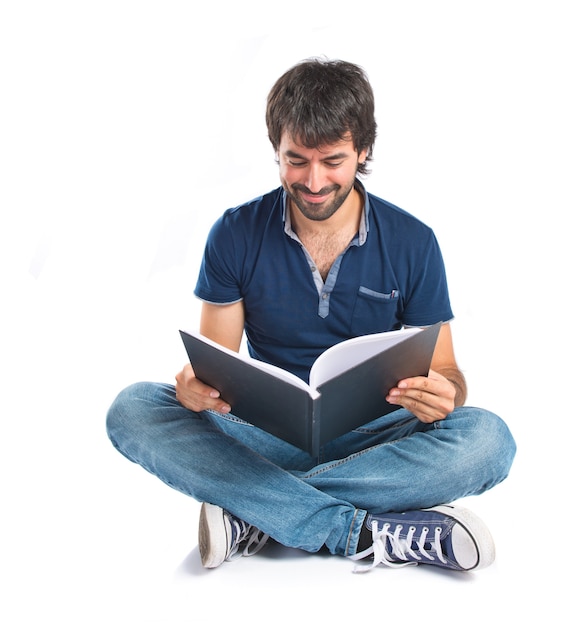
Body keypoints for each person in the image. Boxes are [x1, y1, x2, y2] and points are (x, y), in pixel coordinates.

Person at [106, 57, 516, 574]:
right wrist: (196, 390)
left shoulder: (414, 242)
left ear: (363, 151)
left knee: (488, 441)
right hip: (264, 435)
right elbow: (217, 369)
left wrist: (446, 394)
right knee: (134, 408)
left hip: (378, 437)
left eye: (333, 161)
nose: (314, 181)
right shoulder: (234, 234)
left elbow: (449, 373)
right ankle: (360, 530)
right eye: (296, 160)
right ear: (276, 151)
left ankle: (259, 513)